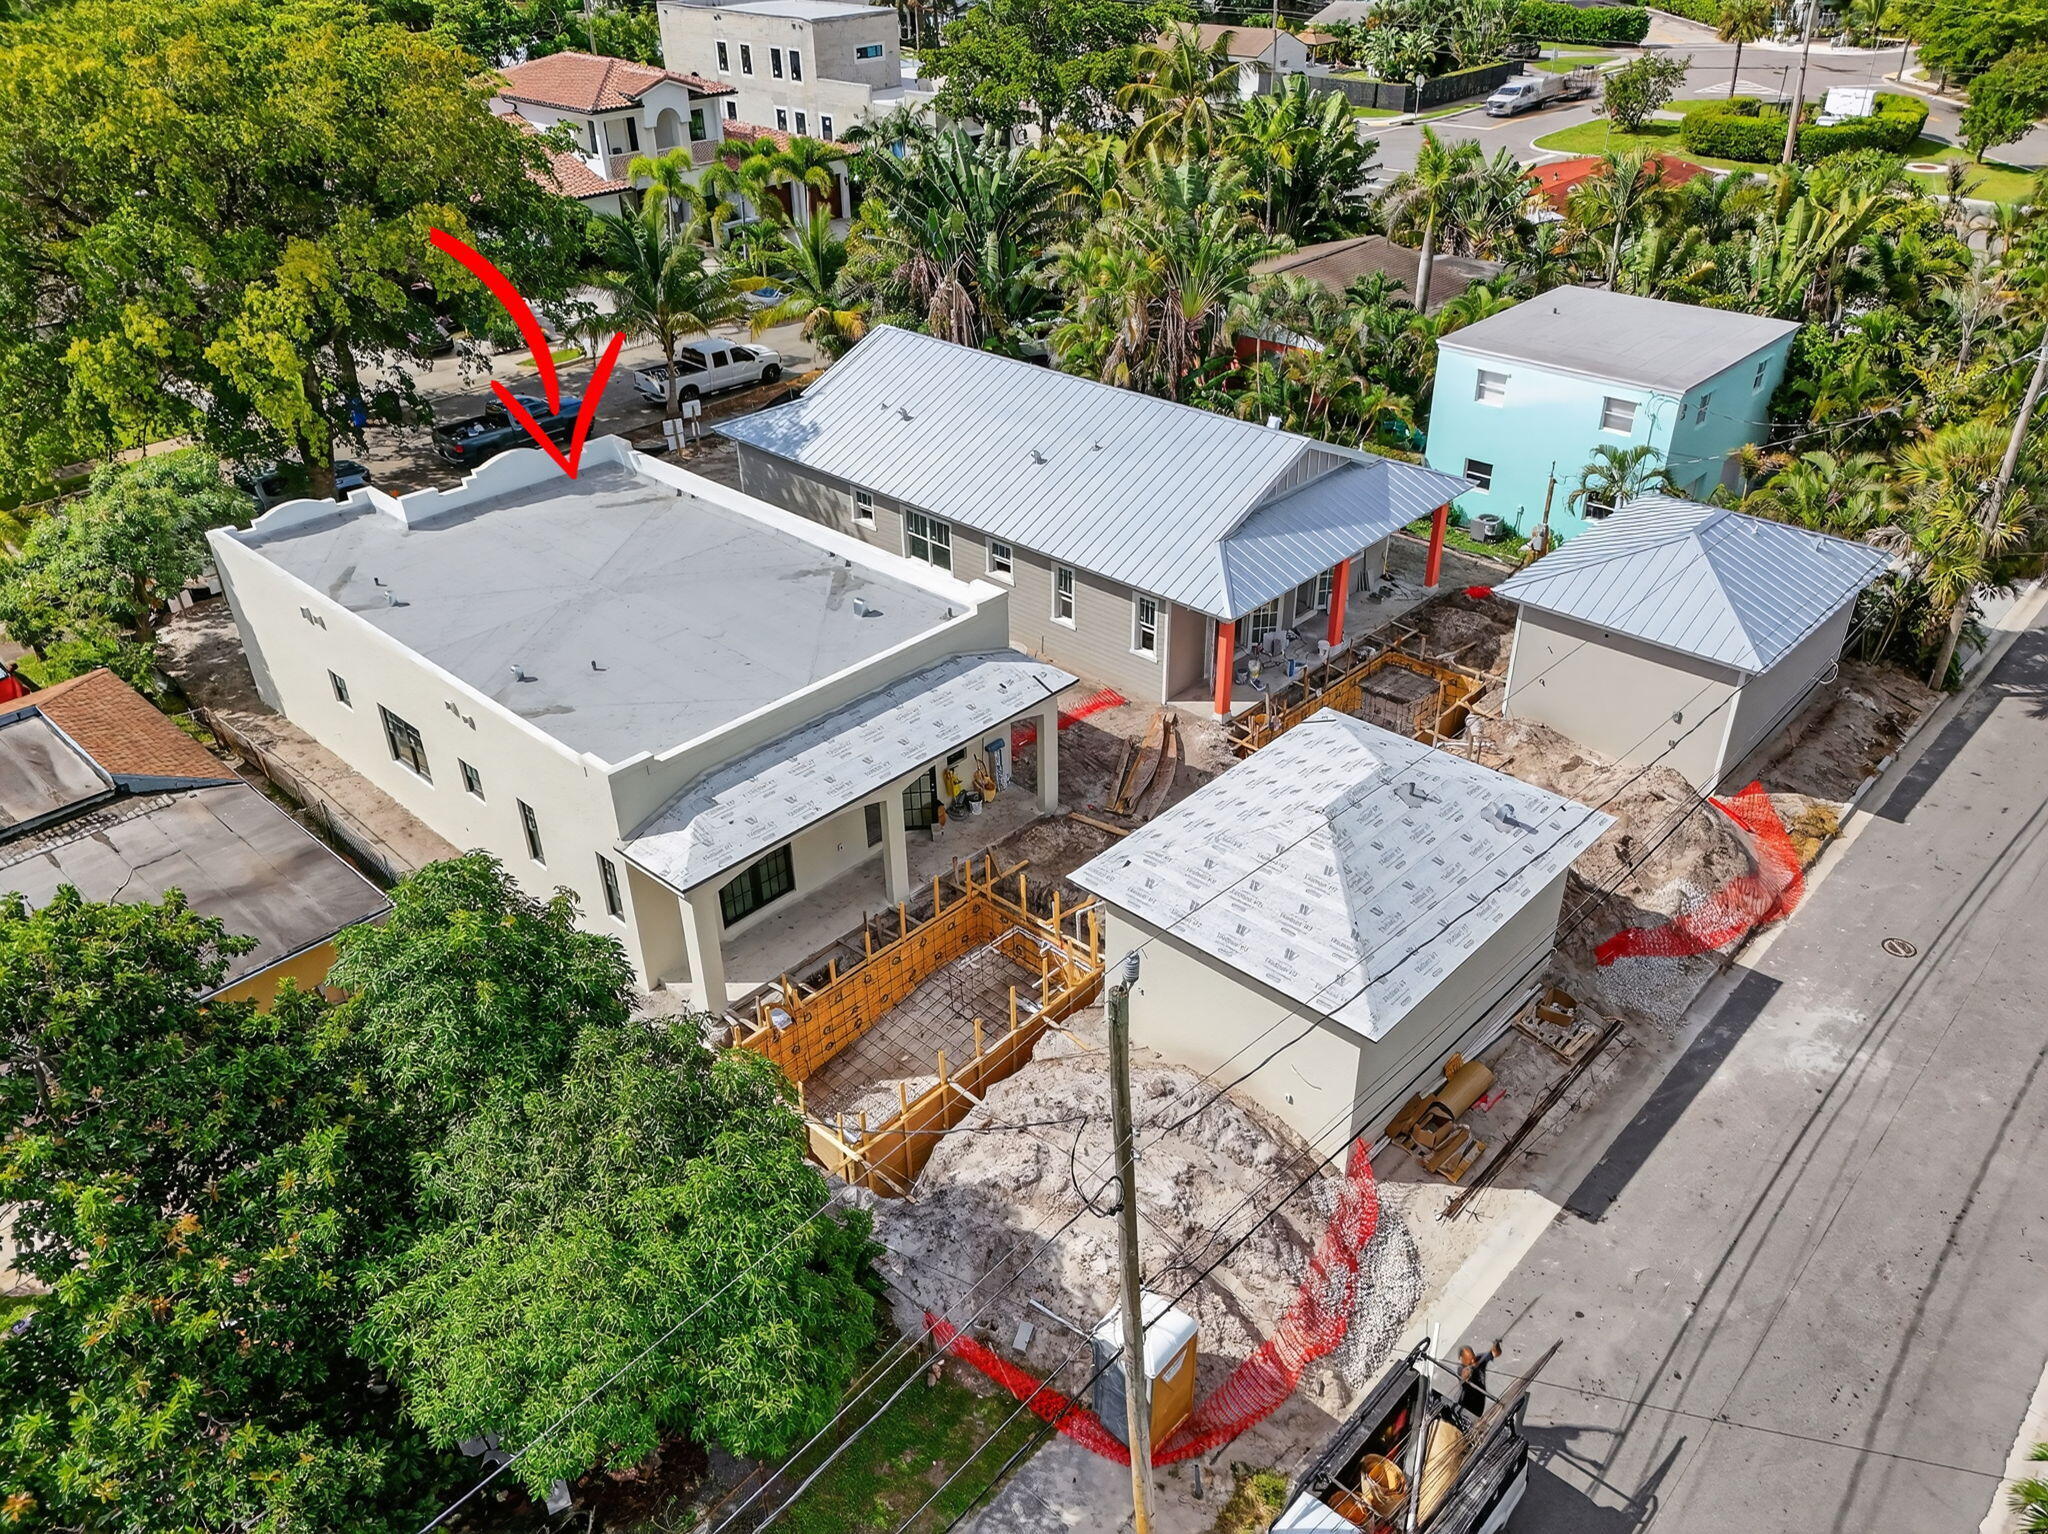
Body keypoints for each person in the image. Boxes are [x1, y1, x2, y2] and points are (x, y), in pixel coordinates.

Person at [1457, 1340, 1502, 1419]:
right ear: (1462, 1359)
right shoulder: (1461, 1368)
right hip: (1467, 1405)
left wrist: (1496, 1346)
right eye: (1470, 1361)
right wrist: (1469, 1371)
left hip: (1480, 1402)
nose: (1473, 1361)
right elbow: (1463, 1374)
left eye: (1473, 1358)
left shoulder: (1479, 1360)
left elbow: (1496, 1353)